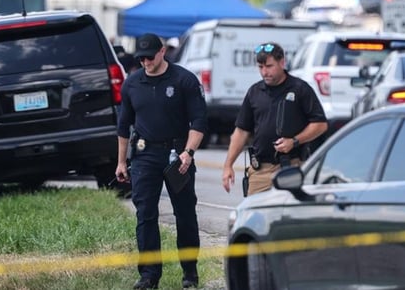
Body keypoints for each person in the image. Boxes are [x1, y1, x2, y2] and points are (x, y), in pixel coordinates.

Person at [115, 33, 208, 290]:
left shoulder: (184, 80)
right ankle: (149, 275)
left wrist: (188, 153)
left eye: (149, 56)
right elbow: (123, 126)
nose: (145, 61)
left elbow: (199, 121)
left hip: (177, 155)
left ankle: (190, 272)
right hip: (145, 155)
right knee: (145, 215)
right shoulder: (132, 83)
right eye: (141, 58)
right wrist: (121, 162)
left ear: (162, 52)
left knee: (185, 213)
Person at [222, 42, 328, 196]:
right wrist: (228, 165)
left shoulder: (300, 89)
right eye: (260, 67)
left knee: (289, 216)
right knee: (254, 216)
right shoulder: (255, 92)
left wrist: (294, 141)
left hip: (291, 167)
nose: (265, 72)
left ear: (282, 63)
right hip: (260, 171)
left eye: (269, 66)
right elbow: (241, 131)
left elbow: (320, 125)